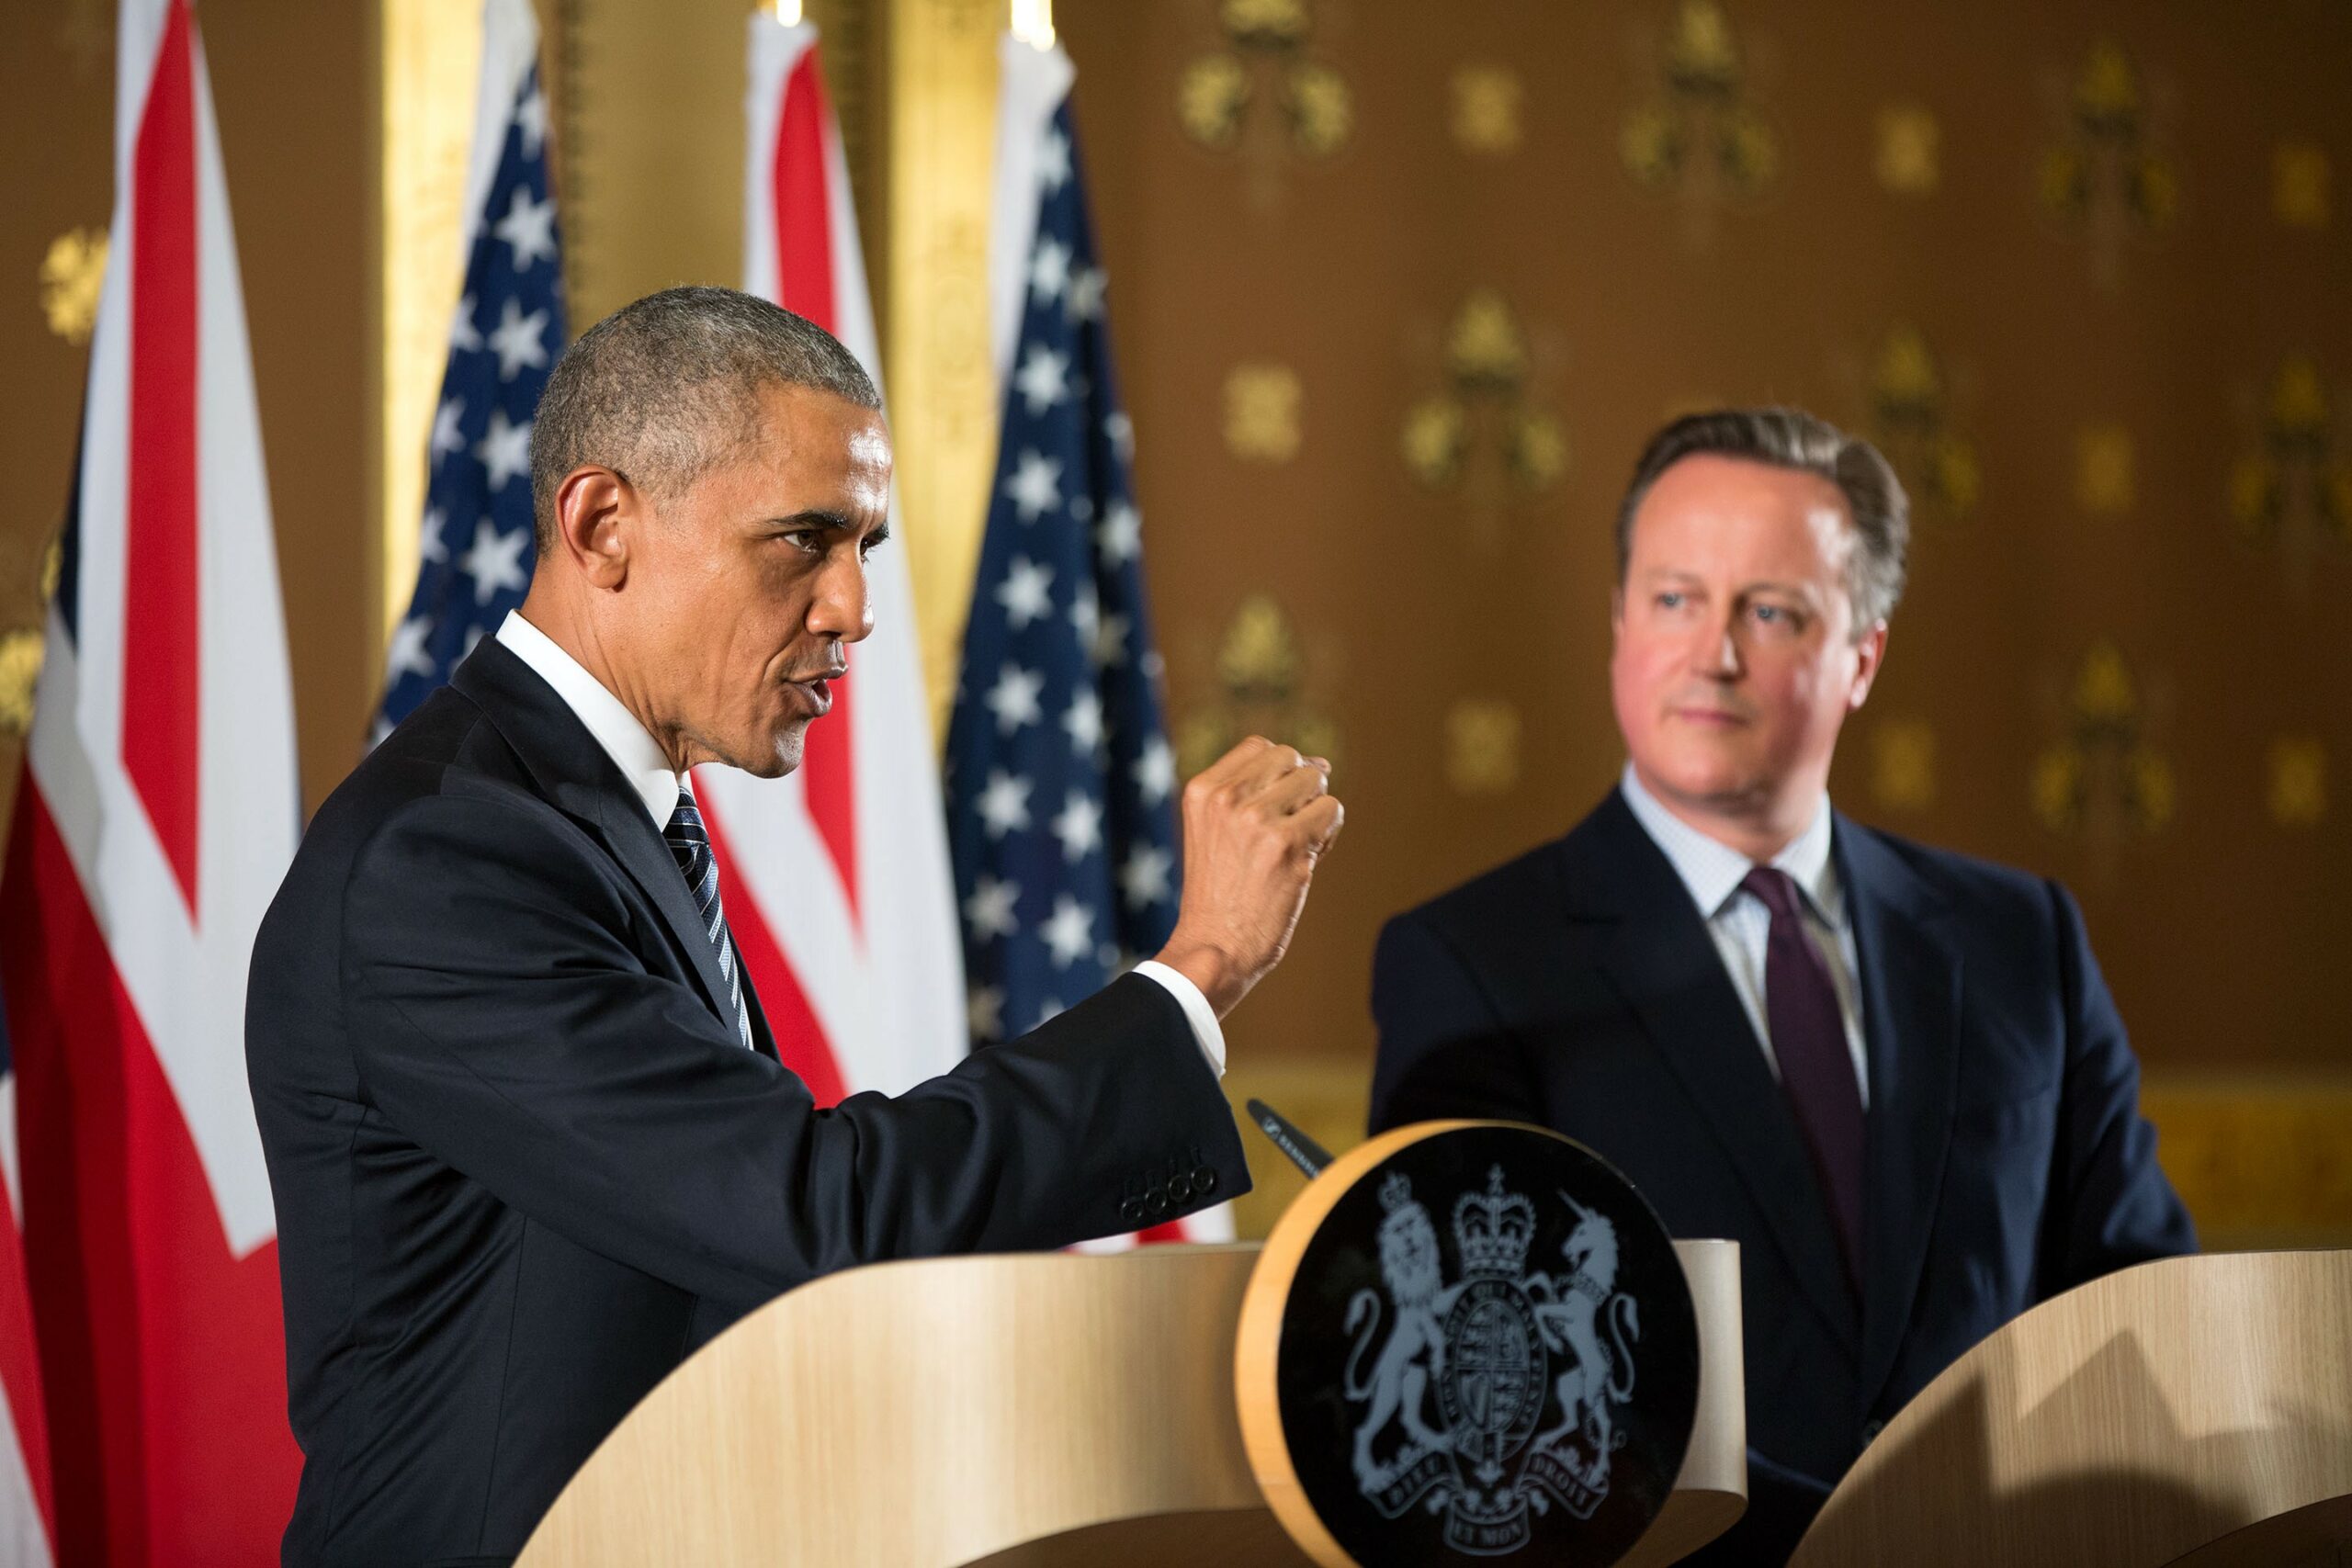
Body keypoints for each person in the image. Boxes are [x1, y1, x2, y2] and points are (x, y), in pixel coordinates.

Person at [247, 287, 1343, 1566]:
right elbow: (813, 1214)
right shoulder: (446, 857)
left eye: (864, 546)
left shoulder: (593, 816)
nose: (852, 607)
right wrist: (1199, 968)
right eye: (803, 540)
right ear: (602, 525)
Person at [1367, 409, 2192, 1563]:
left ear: (1862, 658)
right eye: (1673, 599)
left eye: (1769, 612)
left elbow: (2143, 1310)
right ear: (1618, 624)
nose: (1712, 653)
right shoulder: (1474, 963)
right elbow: (1494, 1391)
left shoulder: (2021, 943)